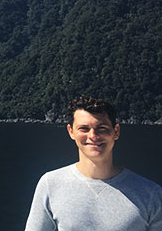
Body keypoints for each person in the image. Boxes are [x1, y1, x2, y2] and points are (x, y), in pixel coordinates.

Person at [25, 95, 162, 231]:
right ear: (71, 132)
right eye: (84, 128)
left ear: (116, 131)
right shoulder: (51, 184)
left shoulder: (150, 194)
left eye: (101, 128)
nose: (93, 136)